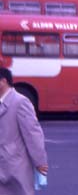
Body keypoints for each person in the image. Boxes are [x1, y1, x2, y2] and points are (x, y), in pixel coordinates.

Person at [0, 67, 49, 195]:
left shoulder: (20, 102)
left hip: (14, 165)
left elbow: (33, 134)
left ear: (3, 81)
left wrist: (40, 162)